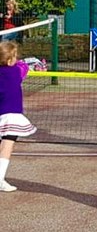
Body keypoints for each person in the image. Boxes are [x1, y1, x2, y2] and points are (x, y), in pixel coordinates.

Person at [0, 41, 37, 192]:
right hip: (11, 115)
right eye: (15, 56)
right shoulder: (15, 71)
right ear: (9, 60)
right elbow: (25, 67)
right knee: (7, 146)